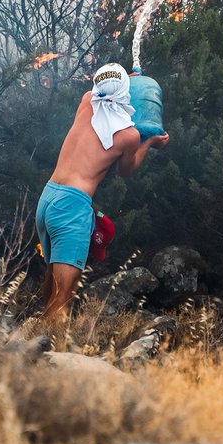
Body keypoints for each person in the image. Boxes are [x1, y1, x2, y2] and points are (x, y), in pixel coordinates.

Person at [35, 62, 168, 319]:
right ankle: (49, 351)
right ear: (125, 92)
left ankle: (36, 342)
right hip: (71, 207)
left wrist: (120, 80)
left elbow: (104, 90)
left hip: (48, 197)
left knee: (52, 280)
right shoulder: (128, 136)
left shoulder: (87, 102)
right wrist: (150, 141)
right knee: (64, 297)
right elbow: (126, 171)